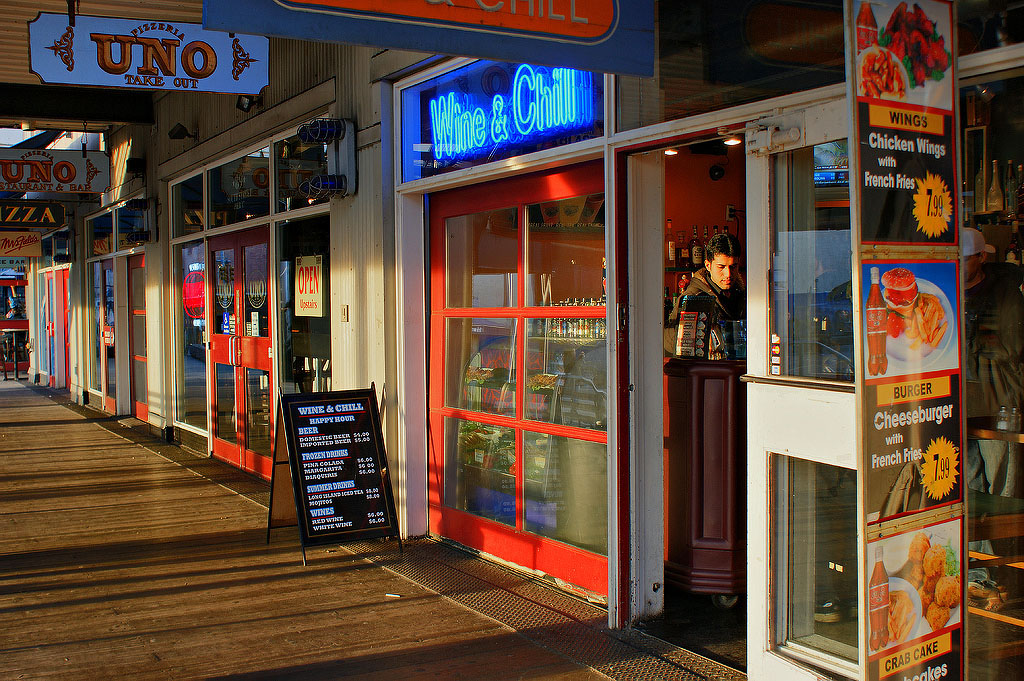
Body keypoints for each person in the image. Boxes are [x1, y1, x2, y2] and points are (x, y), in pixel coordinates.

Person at [963, 226, 1024, 610]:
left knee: (1002, 487)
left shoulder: (1006, 297)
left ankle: (1003, 572)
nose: (958, 264)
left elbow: (1013, 350)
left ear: (981, 257)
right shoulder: (947, 295)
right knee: (967, 485)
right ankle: (977, 574)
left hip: (997, 404)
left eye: (964, 257)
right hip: (958, 403)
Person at [679, 232, 745, 321]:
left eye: (733, 266)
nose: (728, 274)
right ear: (708, 265)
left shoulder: (743, 294)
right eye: (721, 267)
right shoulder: (692, 299)